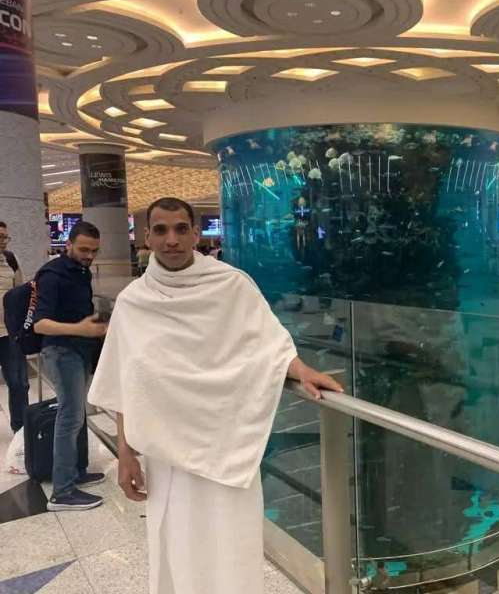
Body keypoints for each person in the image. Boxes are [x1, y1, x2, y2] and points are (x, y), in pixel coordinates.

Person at [87, 197, 343, 594]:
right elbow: (126, 383)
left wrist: (302, 370)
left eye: (180, 229)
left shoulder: (231, 285)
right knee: (177, 543)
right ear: (147, 237)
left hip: (226, 445)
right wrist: (125, 453)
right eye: (161, 230)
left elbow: (269, 343)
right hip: (166, 454)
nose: (172, 240)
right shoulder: (134, 301)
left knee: (230, 546)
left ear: (195, 233)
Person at [34, 221, 109, 511]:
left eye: (94, 251)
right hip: (60, 352)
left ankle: (77, 471)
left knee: (77, 415)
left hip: (78, 350)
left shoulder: (81, 271)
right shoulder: (52, 275)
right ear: (68, 244)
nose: (89, 255)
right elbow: (40, 324)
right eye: (83, 249)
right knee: (70, 416)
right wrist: (81, 329)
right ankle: (62, 492)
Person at [0, 222, 29, 433]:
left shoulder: (10, 260)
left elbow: (20, 294)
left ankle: (21, 430)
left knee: (19, 383)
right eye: (0, 237)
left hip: (9, 333)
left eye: (5, 237)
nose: (3, 241)